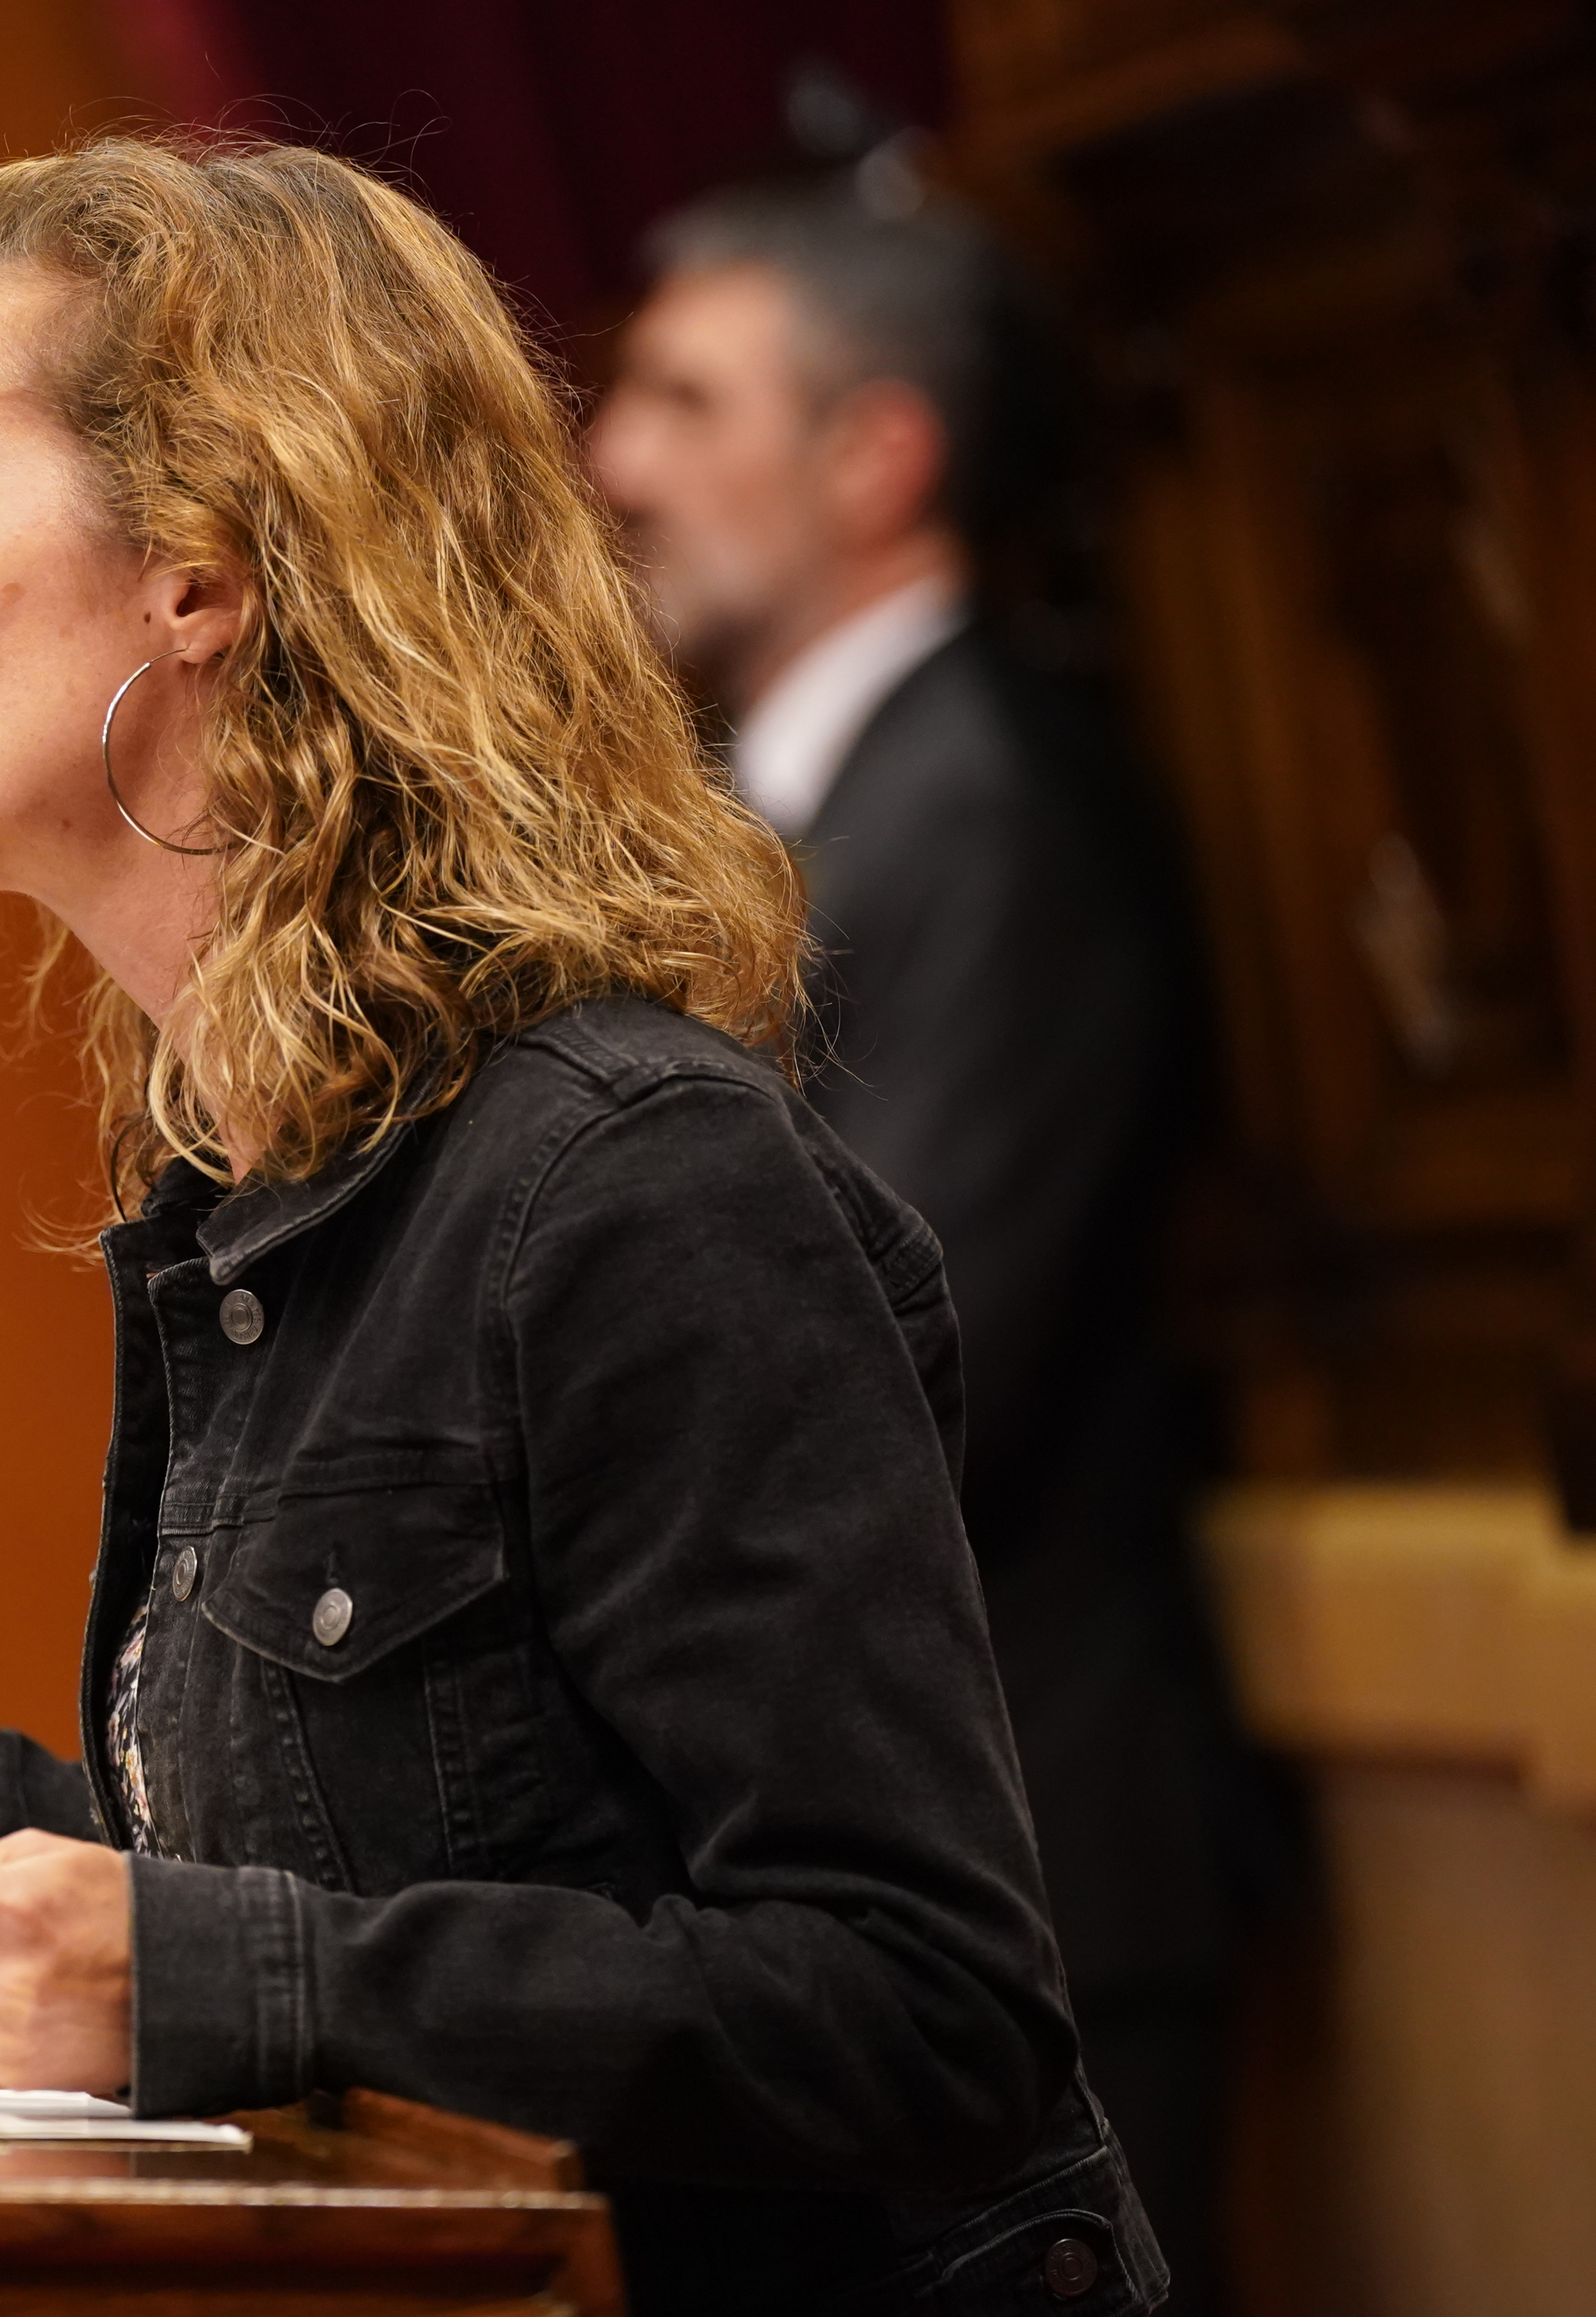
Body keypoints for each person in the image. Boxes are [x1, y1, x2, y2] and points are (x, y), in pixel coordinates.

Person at [0, 136, 1164, 2315]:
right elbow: (337, 1888)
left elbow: (921, 2009)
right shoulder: (251, 1173)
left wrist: (194, 1972)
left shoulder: (631, 1175)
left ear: (199, 573)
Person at [587, 171, 1274, 2312]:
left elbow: (902, 1351)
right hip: (868, 1878)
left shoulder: (995, 795)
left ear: (880, 458)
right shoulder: (787, 797)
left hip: (1028, 1857)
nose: (618, 459)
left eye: (692, 400)